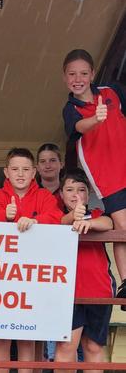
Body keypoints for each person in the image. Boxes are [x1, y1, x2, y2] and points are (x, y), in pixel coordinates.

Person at [0, 147, 63, 373]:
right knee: (1, 339)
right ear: (6, 172)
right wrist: (5, 218)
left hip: (31, 280)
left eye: (26, 169)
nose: (20, 174)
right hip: (1, 278)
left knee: (27, 337)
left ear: (34, 173)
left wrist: (36, 221)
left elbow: (55, 218)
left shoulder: (44, 196)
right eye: (14, 169)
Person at [43, 169, 114, 373]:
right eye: (70, 189)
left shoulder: (97, 215)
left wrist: (89, 223)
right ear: (61, 193)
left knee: (94, 347)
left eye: (81, 189)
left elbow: (110, 223)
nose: (76, 194)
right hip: (65, 291)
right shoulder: (54, 214)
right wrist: (70, 219)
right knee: (65, 347)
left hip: (99, 289)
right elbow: (47, 225)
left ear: (89, 193)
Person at [62, 49, 126, 302]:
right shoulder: (70, 109)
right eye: (72, 74)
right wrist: (95, 120)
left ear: (92, 74)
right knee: (122, 228)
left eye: (83, 73)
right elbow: (78, 128)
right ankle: (125, 283)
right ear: (64, 77)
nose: (78, 78)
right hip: (109, 178)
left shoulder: (111, 92)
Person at [29, 142, 66, 373]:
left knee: (67, 336)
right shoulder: (32, 193)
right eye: (43, 161)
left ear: (61, 163)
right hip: (34, 269)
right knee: (35, 334)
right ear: (36, 167)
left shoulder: (72, 191)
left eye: (53, 160)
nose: (48, 165)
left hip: (64, 269)